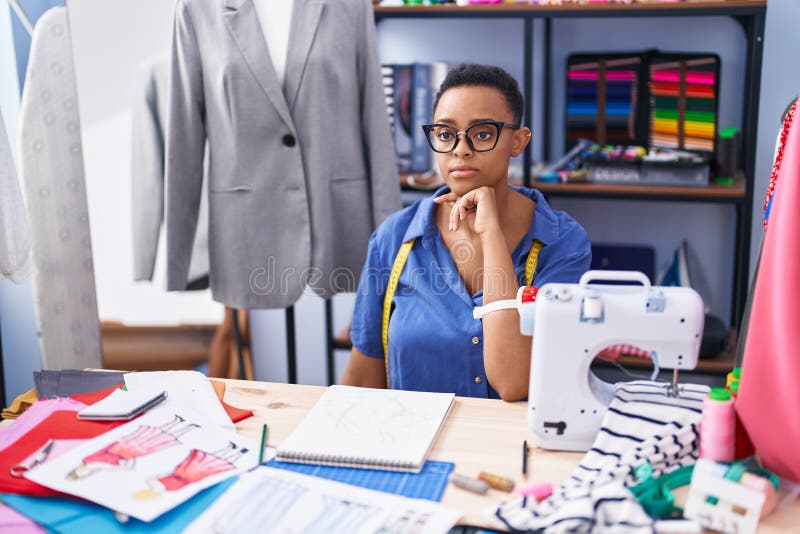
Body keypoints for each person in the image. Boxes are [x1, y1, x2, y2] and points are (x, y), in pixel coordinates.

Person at [341, 64, 591, 401]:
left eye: (483, 134)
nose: (461, 149)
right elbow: (361, 380)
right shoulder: (394, 239)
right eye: (446, 134)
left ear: (518, 141)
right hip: (414, 445)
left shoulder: (562, 243)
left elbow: (514, 381)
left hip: (510, 448)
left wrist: (491, 235)